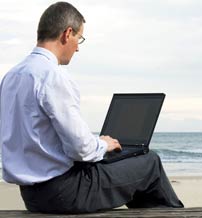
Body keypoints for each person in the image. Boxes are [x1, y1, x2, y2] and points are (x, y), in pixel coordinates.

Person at [0, 2, 183, 214]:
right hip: (66, 193)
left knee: (128, 162)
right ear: (67, 34)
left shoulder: (11, 77)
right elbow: (80, 149)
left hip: (32, 196)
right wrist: (102, 145)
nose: (78, 47)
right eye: (79, 39)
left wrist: (99, 146)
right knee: (150, 162)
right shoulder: (52, 76)